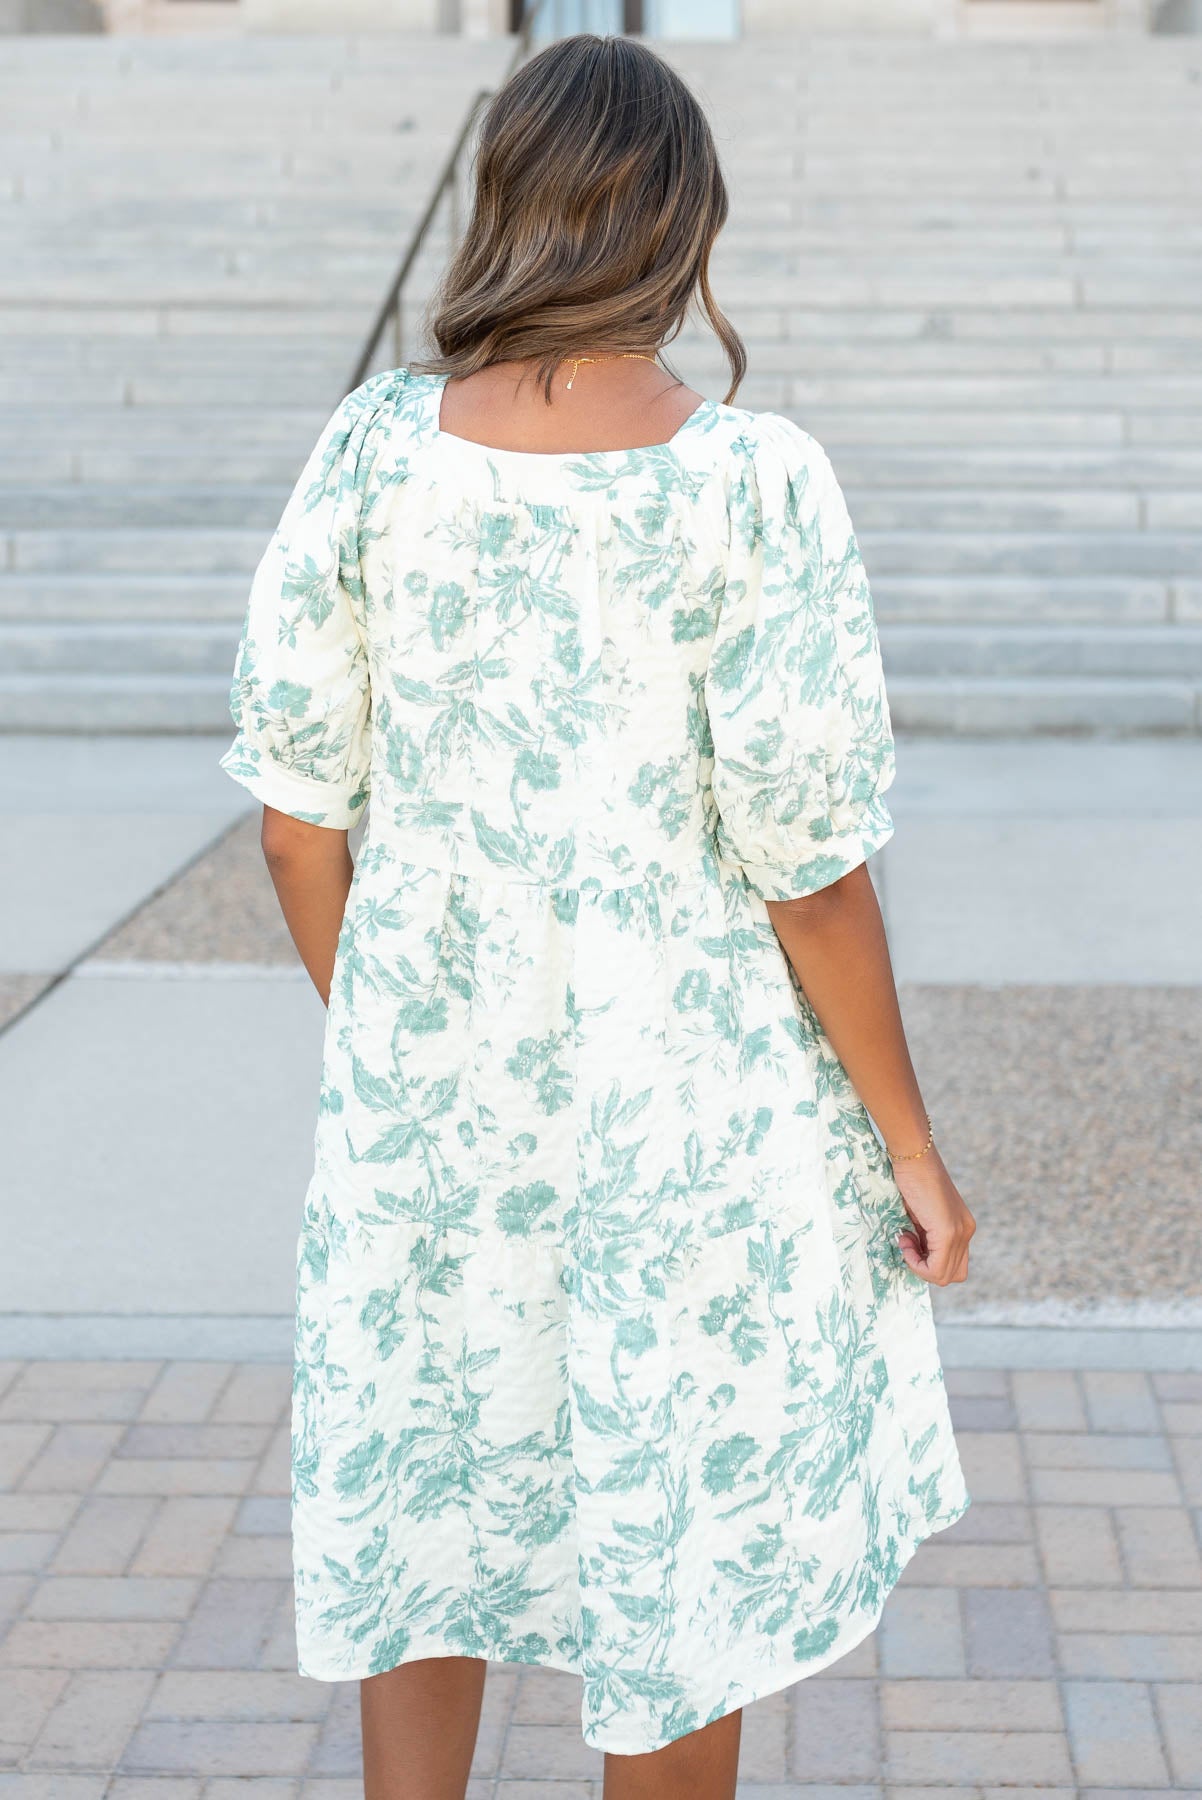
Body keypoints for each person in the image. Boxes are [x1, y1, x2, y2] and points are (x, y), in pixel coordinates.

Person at [219, 31, 975, 1800]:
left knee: (430, 1506)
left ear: (508, 209)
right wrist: (909, 1145)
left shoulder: (369, 454)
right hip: (687, 1124)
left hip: (431, 1116)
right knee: (676, 1553)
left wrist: (399, 1029)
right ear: (682, 230)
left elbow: (290, 823)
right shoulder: (749, 483)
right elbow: (806, 861)